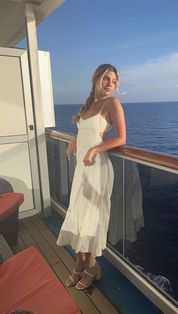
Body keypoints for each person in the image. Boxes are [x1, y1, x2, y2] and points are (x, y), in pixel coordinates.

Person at [56, 64, 126, 290]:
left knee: (90, 221)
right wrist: (74, 142)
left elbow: (121, 139)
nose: (110, 84)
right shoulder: (89, 105)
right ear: (97, 79)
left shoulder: (112, 103)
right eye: (107, 79)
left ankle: (88, 268)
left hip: (97, 170)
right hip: (82, 170)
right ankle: (87, 266)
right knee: (79, 219)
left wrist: (95, 149)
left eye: (114, 81)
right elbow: (84, 131)